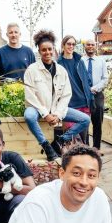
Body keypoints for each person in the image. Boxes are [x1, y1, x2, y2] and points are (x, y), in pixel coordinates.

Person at [23, 30, 91, 162]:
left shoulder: (61, 70)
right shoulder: (32, 70)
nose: (47, 52)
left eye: (50, 49)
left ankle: (60, 140)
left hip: (56, 109)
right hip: (37, 108)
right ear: (39, 51)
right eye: (43, 50)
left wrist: (58, 114)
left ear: (54, 49)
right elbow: (30, 96)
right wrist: (45, 114)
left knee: (85, 119)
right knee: (29, 116)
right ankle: (46, 146)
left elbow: (66, 95)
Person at [57, 35, 95, 146]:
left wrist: (90, 98)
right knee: (71, 137)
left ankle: (85, 155)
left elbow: (87, 81)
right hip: (68, 104)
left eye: (73, 44)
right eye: (69, 44)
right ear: (63, 45)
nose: (71, 46)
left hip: (83, 102)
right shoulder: (58, 63)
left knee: (83, 136)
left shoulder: (79, 61)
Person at [82, 38, 109, 154]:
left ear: (95, 46)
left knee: (97, 122)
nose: (90, 46)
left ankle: (96, 147)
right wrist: (86, 89)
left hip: (97, 95)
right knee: (84, 122)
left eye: (92, 44)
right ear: (85, 47)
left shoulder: (101, 61)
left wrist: (94, 88)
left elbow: (105, 78)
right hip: (83, 96)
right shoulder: (80, 61)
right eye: (88, 44)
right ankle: (86, 147)